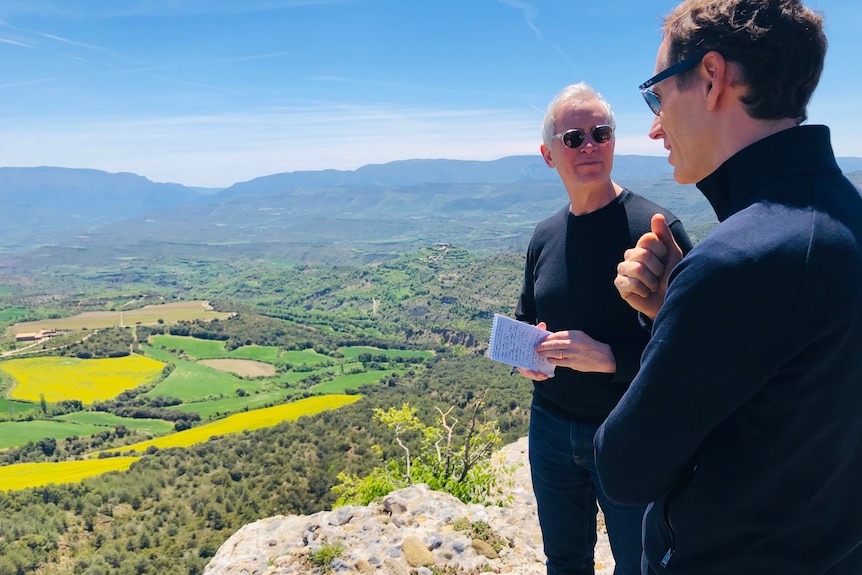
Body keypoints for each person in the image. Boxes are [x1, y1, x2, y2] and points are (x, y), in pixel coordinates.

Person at [594, 1, 862, 574]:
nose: (654, 124)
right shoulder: (844, 218)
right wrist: (675, 308)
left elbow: (624, 468)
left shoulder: (738, 261)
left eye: (656, 95)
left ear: (712, 78)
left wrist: (686, 306)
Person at [514, 82, 693, 575]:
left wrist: (610, 358)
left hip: (628, 429)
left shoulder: (656, 229)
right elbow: (529, 314)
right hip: (549, 425)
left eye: (601, 133)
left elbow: (692, 349)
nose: (588, 145)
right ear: (550, 155)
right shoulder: (545, 235)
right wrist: (530, 357)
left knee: (638, 565)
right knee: (564, 561)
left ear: (614, 141)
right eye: (573, 138)